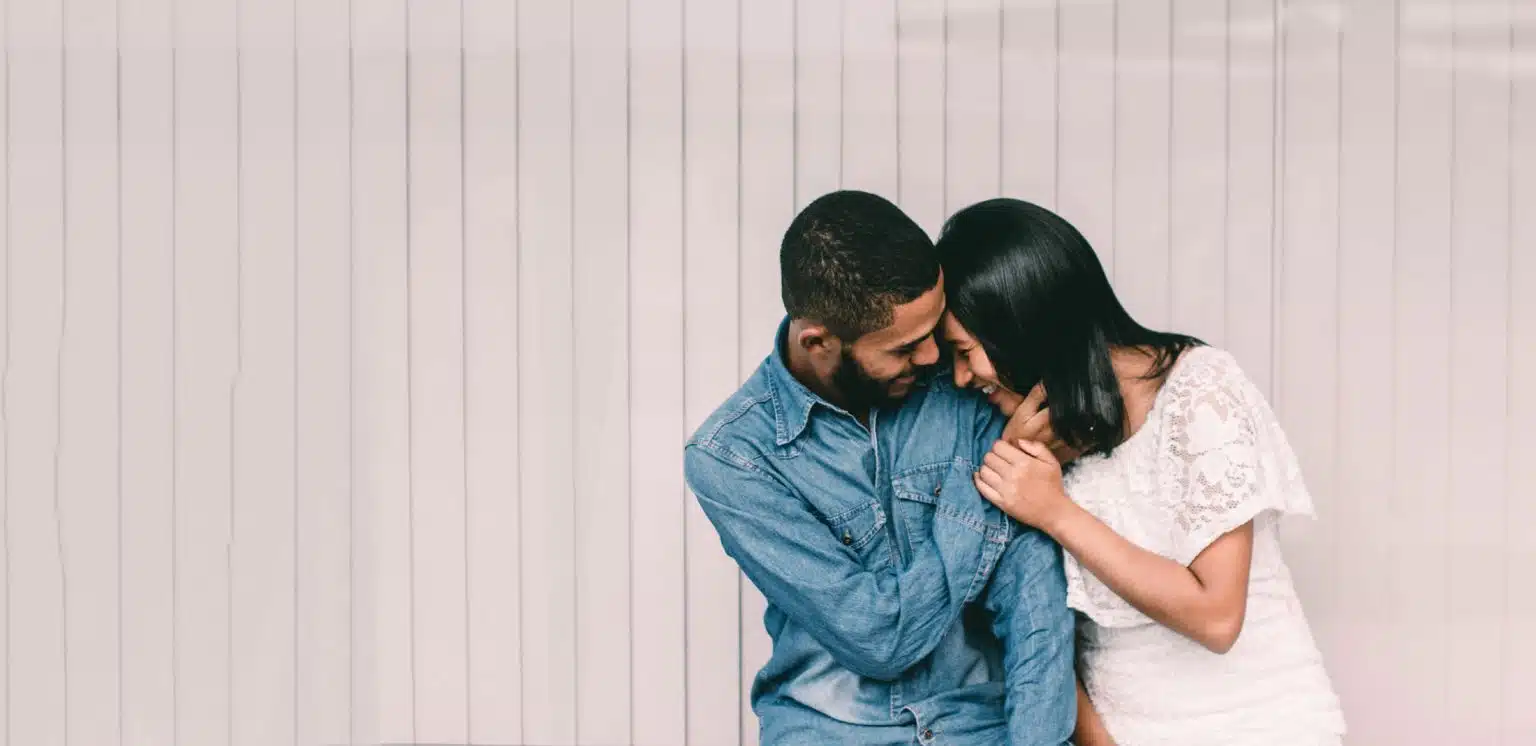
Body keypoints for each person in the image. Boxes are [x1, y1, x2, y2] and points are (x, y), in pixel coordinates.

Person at [935, 197, 1347, 746]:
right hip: (1121, 731)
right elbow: (1027, 632)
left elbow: (1216, 618)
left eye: (965, 351)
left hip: (1262, 722)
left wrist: (1055, 512)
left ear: (1020, 326)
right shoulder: (1020, 438)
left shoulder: (1199, 390)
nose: (962, 378)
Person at [683, 191, 1075, 745]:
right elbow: (879, 639)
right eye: (905, 347)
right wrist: (987, 481)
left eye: (933, 332)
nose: (933, 359)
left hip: (975, 725)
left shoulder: (957, 385)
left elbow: (1031, 592)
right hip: (829, 731)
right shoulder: (733, 458)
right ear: (818, 341)